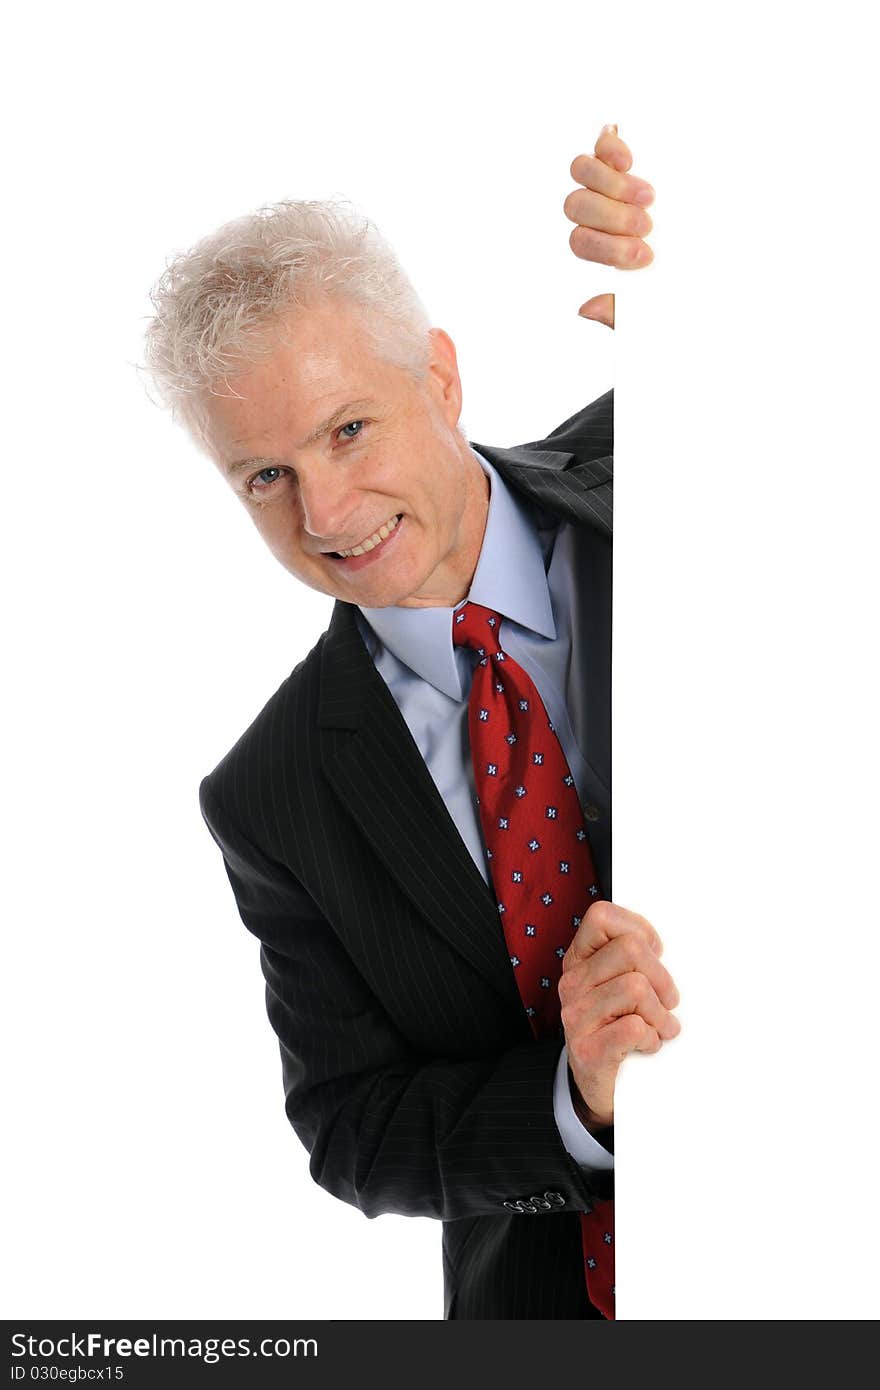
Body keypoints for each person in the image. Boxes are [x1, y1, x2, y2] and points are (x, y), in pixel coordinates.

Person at [143, 123, 681, 1320]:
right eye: (263, 476)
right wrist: (575, 1095)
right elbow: (352, 1124)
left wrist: (740, 294)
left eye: (346, 430)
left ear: (438, 376)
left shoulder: (684, 458)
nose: (325, 510)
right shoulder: (271, 791)